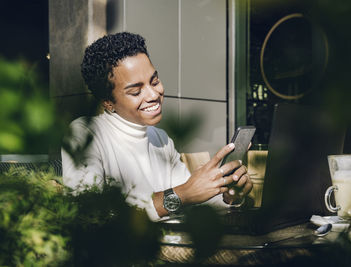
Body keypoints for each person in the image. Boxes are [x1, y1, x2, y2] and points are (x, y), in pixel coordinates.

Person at [62, 32, 252, 221]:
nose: (154, 94)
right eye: (136, 91)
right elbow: (88, 217)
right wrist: (179, 196)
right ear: (108, 102)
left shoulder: (160, 139)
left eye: (155, 81)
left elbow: (192, 199)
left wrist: (228, 194)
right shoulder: (85, 134)